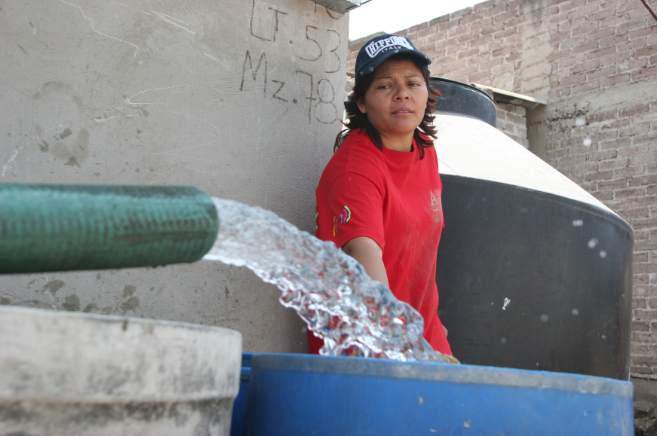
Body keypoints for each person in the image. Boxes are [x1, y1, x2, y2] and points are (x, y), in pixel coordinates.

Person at [310, 34, 453, 357]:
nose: (402, 94)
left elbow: (417, 251)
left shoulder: (424, 150)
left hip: (422, 334)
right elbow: (365, 260)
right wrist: (403, 346)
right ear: (361, 102)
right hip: (372, 346)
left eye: (413, 83)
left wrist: (433, 322)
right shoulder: (355, 170)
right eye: (385, 86)